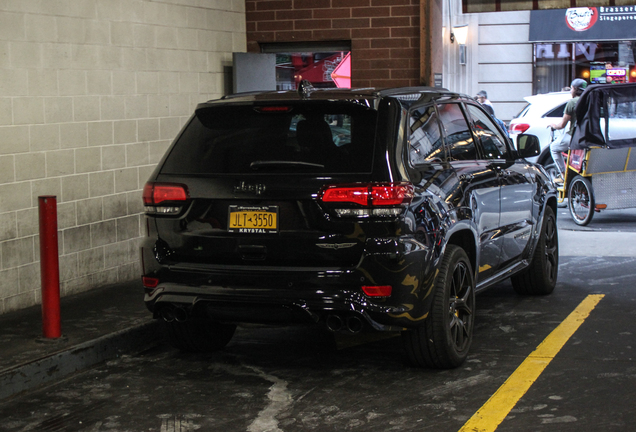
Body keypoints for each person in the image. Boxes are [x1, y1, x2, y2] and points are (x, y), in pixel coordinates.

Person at [548, 78, 588, 182]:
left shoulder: (572, 102)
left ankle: (563, 174)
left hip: (575, 136)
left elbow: (562, 125)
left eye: (571, 88)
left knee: (554, 147)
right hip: (589, 136)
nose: (570, 91)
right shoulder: (590, 100)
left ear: (575, 89)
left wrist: (553, 125)